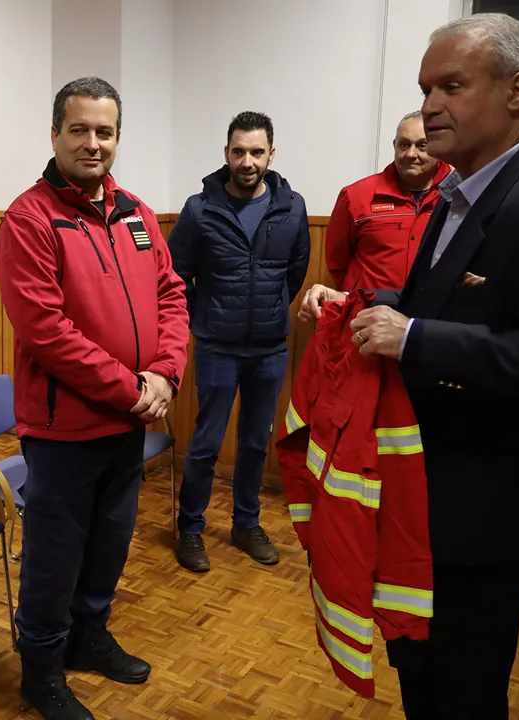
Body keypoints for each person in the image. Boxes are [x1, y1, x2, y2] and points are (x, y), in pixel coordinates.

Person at [298, 13, 519, 719]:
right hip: (424, 501)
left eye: (452, 86)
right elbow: (440, 304)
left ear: (516, 91)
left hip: (485, 510)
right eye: (424, 88)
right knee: (423, 679)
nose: (431, 104)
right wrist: (364, 305)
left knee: (465, 694)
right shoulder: (459, 193)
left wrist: (414, 339)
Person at [0, 76, 189, 720]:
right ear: (54, 134)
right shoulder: (30, 217)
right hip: (63, 431)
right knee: (54, 559)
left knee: (110, 544)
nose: (92, 142)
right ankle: (42, 669)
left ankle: (89, 636)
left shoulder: (134, 210)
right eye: (78, 129)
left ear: (117, 138)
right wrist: (133, 391)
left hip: (127, 423)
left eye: (104, 131)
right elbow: (46, 331)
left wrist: (165, 372)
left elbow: (171, 295)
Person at [168, 111, 311, 572]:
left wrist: (269, 312)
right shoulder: (199, 209)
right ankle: (190, 529)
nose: (247, 161)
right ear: (226, 154)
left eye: (256, 151)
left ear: (272, 153)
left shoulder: (292, 207)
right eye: (238, 151)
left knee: (254, 443)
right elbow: (174, 276)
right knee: (206, 444)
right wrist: (204, 317)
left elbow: (295, 272)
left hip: (269, 348)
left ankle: (246, 525)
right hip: (217, 347)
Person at [327, 111, 452, 292]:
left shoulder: (460, 194)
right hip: (368, 312)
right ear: (394, 146)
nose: (411, 154)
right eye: (404, 145)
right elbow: (337, 263)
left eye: (422, 146)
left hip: (430, 313)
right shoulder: (356, 196)